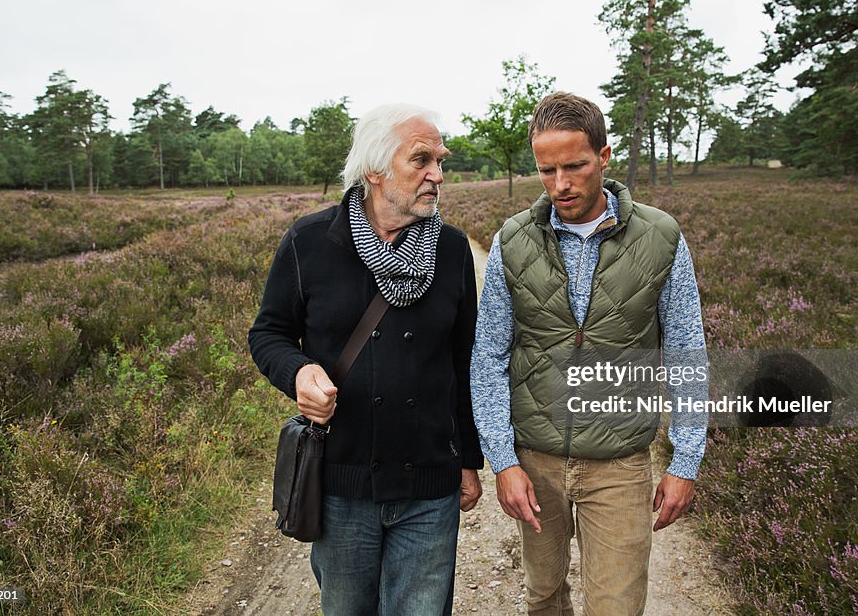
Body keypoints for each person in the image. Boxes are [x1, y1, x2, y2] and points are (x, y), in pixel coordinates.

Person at [471, 92, 708, 615]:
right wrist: (503, 461)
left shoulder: (662, 236)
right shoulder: (512, 240)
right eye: (546, 170)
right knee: (544, 597)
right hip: (535, 462)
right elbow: (488, 355)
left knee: (617, 606)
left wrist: (686, 460)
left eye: (575, 166)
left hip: (620, 464)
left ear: (603, 156)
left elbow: (687, 351)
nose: (561, 184)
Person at [249, 103, 484, 615]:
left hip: (429, 485)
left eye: (440, 161)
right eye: (421, 160)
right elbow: (268, 333)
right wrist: (299, 371)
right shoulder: (310, 242)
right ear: (375, 170)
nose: (437, 175)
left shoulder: (451, 249)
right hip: (343, 485)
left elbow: (465, 361)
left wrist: (469, 459)